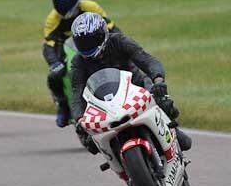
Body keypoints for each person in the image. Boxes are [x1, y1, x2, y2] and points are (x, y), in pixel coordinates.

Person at [69, 12, 192, 152]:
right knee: (90, 141)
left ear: (102, 34)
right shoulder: (78, 62)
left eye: (90, 41)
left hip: (136, 87)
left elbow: (146, 60)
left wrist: (158, 80)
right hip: (104, 102)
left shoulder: (119, 41)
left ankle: (171, 130)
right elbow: (77, 92)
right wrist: (79, 119)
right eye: (82, 43)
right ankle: (113, 155)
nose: (86, 46)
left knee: (164, 103)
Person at [43, 0, 119, 127]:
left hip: (94, 45)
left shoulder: (91, 7)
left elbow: (111, 28)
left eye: (67, 2)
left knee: (120, 62)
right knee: (53, 77)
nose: (63, 7)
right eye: (59, 4)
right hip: (67, 52)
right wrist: (54, 62)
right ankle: (63, 106)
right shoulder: (53, 18)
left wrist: (117, 46)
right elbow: (48, 45)